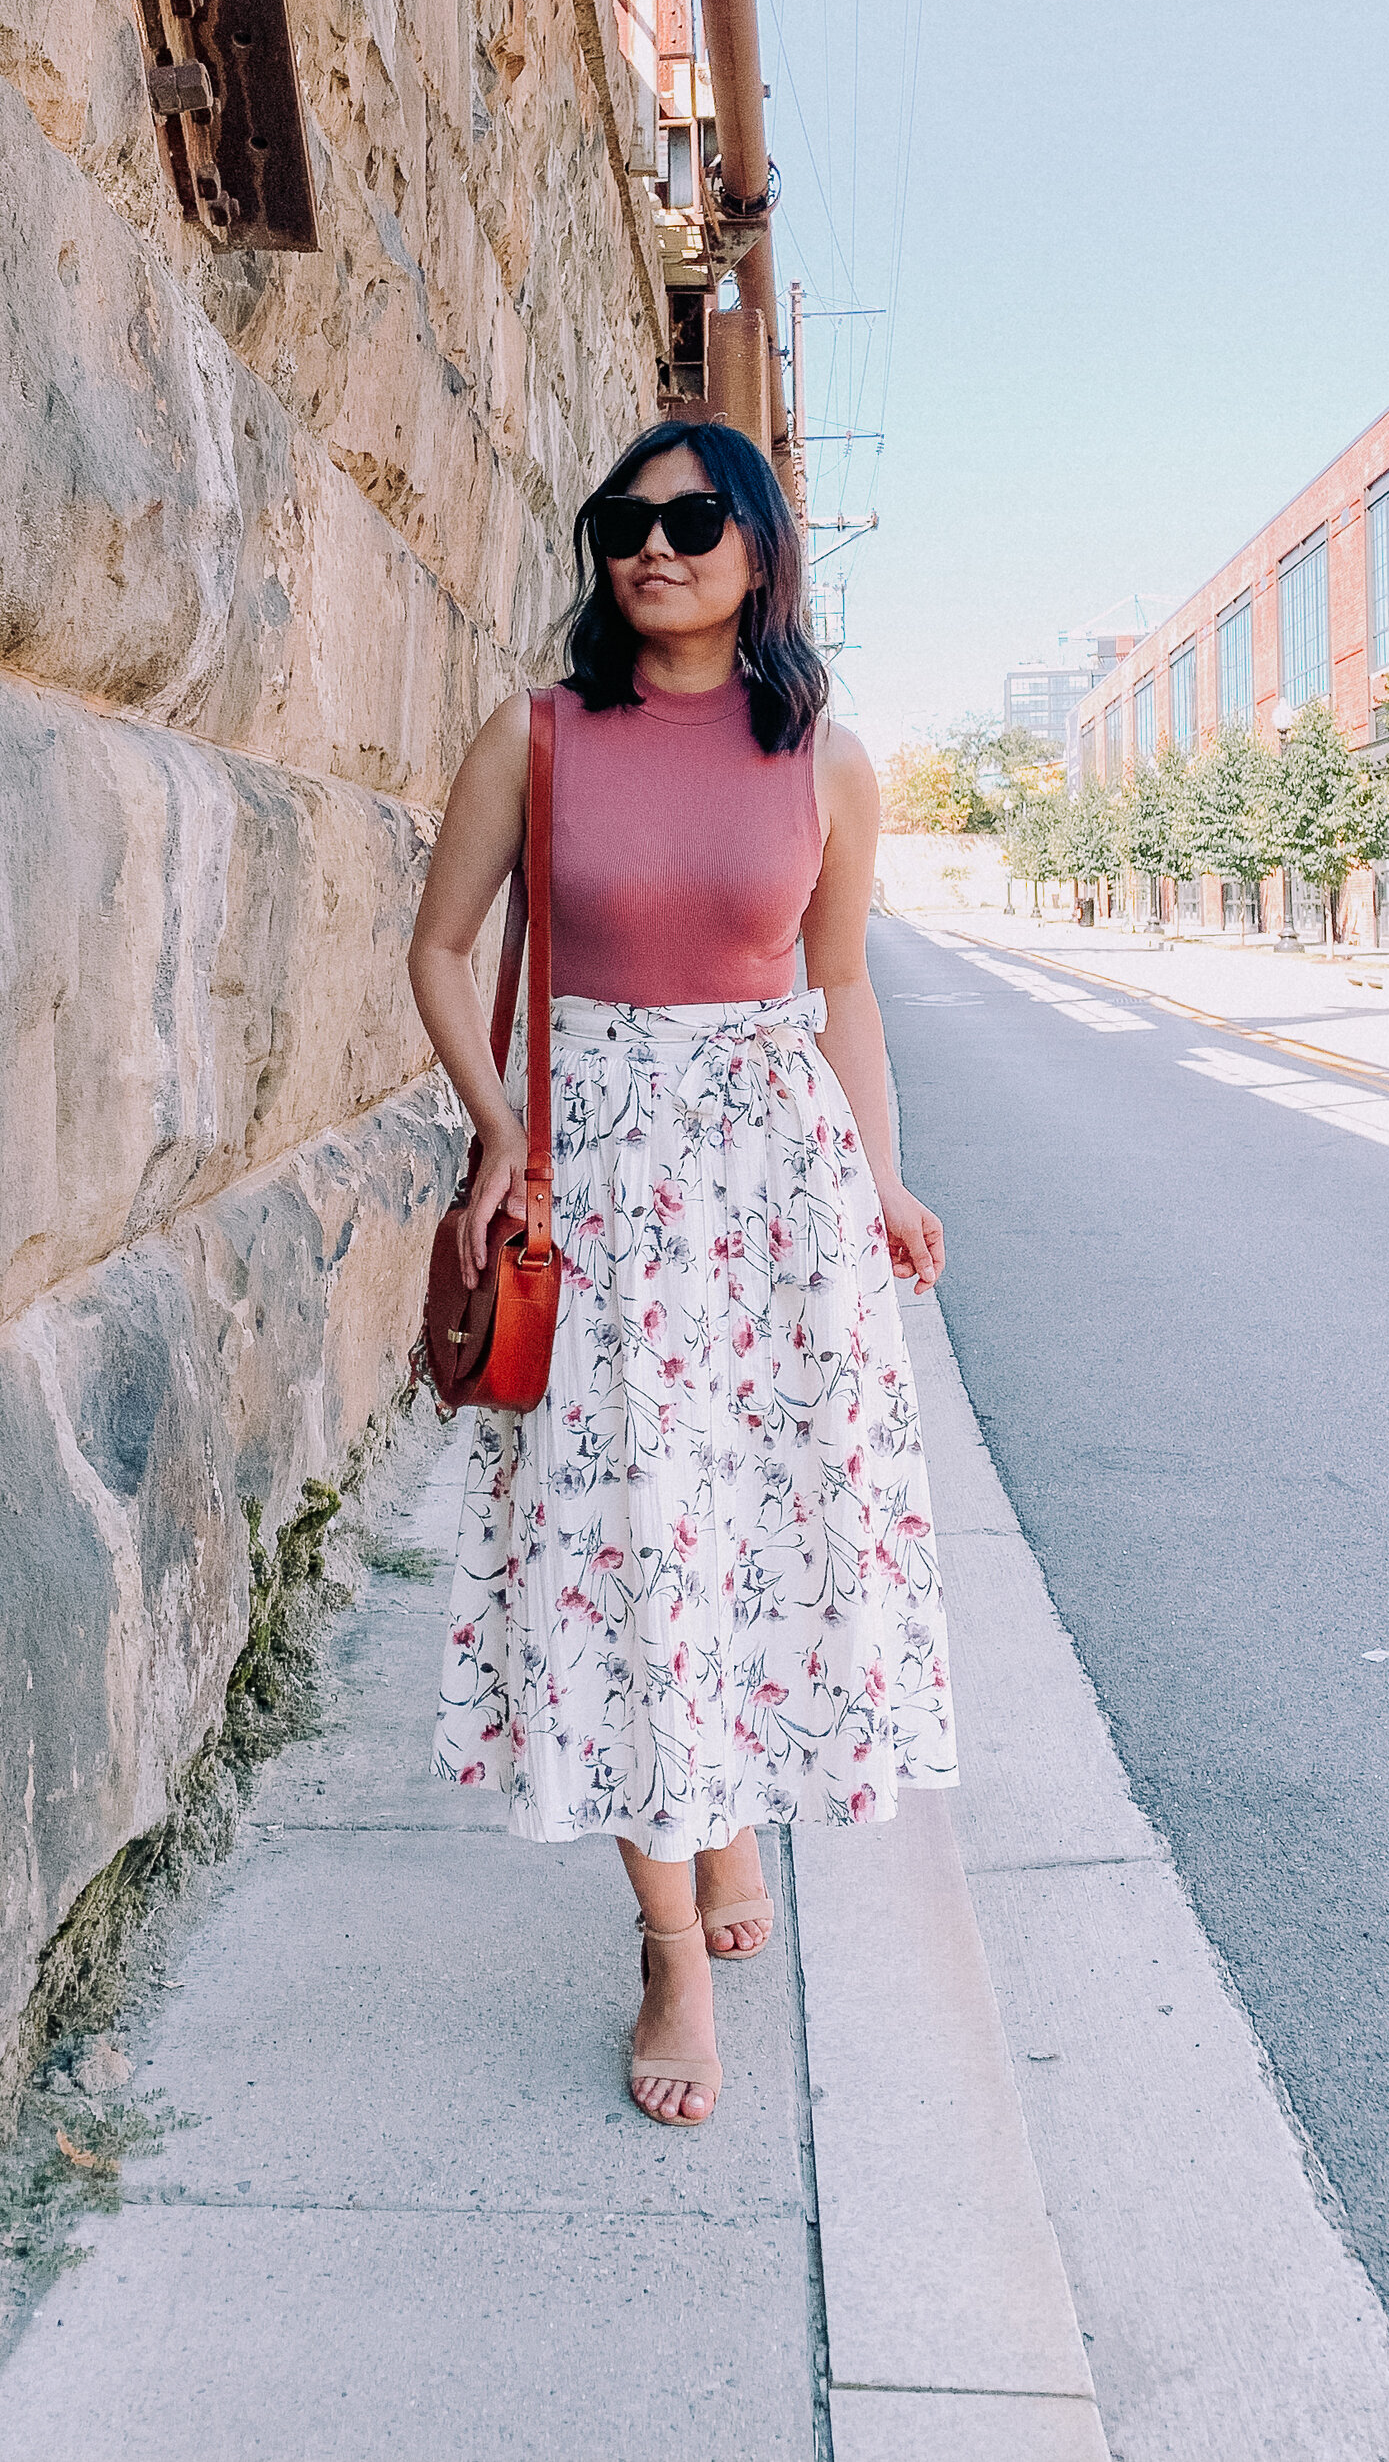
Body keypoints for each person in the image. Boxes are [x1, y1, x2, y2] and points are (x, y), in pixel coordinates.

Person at [407, 421, 958, 2128]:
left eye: (693, 517)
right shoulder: (541, 735)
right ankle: (667, 1943)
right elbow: (437, 947)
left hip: (775, 1193)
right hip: (600, 1180)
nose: (655, 545)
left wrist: (879, 1182)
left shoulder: (828, 761)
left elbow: (841, 986)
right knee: (623, 1540)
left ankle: (726, 1810)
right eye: (625, 522)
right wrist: (502, 1129)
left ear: (760, 545)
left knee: (753, 1527)